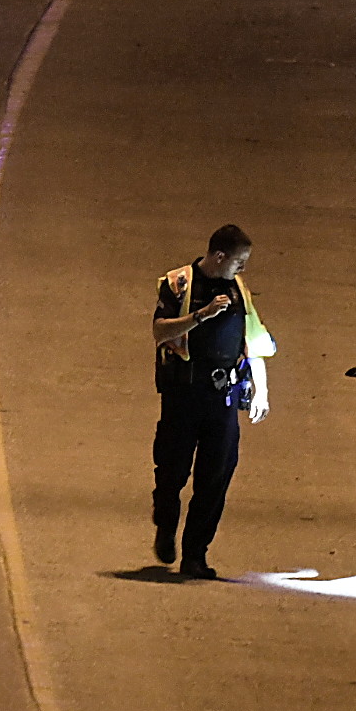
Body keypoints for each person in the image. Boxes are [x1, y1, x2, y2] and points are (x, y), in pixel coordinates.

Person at [150, 224, 276, 579]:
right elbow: (160, 332)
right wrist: (201, 315)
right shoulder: (179, 283)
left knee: (216, 478)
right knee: (172, 472)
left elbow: (254, 341)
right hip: (183, 398)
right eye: (239, 261)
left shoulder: (238, 290)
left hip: (222, 398)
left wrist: (262, 391)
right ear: (220, 256)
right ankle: (166, 521)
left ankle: (195, 556)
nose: (243, 269)